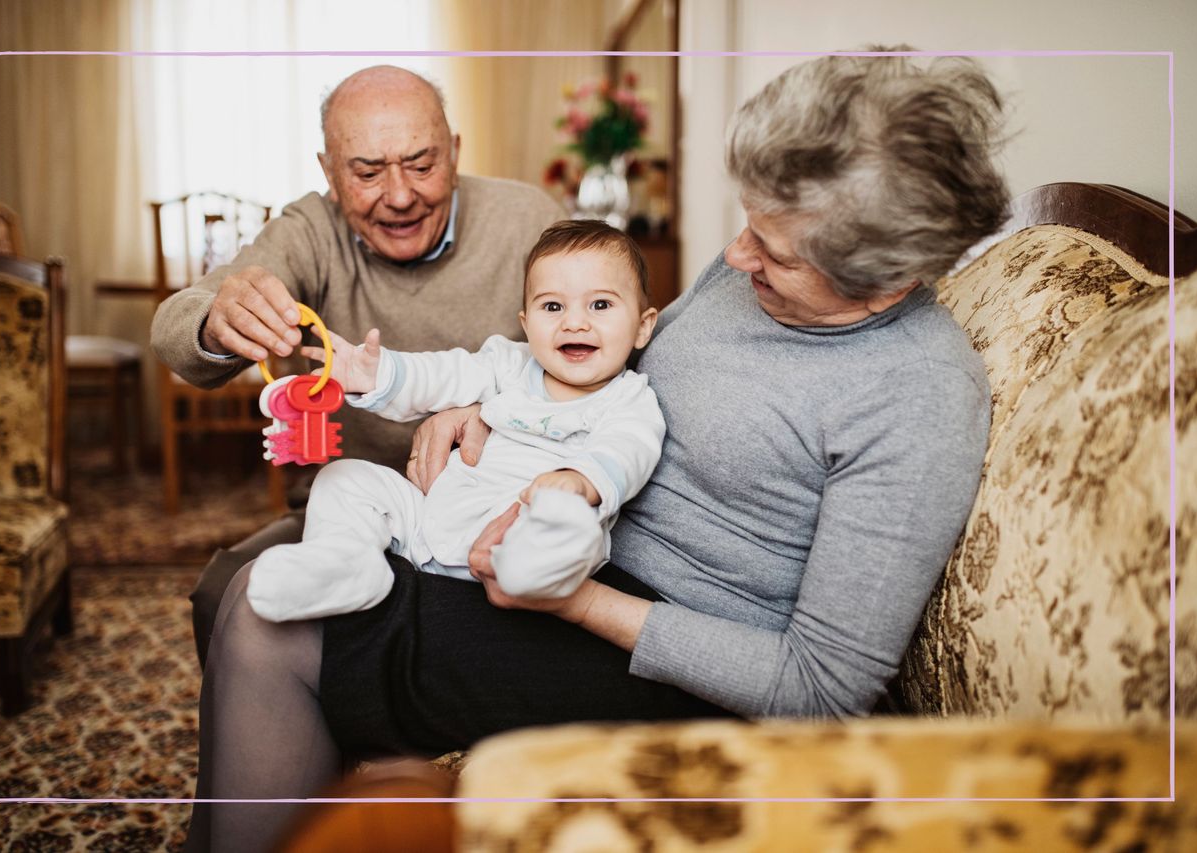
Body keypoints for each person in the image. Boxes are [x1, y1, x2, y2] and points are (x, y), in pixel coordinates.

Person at [186, 50, 1010, 853]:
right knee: (273, 581)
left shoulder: (918, 394)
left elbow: (820, 685)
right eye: (749, 226)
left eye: (776, 253)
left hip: (661, 646)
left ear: (889, 280)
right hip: (567, 538)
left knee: (270, 620)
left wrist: (575, 600)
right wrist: (491, 403)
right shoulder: (754, 271)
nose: (735, 257)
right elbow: (620, 364)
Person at [149, 65, 564, 663]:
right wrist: (218, 319)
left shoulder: (529, 219)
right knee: (226, 596)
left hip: (498, 505)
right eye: (367, 172)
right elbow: (174, 326)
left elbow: (608, 347)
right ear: (329, 173)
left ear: (454, 151)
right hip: (349, 512)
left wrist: (492, 409)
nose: (399, 196)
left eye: (422, 165)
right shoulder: (310, 230)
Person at [247, 220, 662, 621]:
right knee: (346, 479)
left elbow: (628, 450)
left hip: (520, 534)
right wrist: (374, 374)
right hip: (429, 521)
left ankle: (533, 572)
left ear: (643, 327)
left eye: (601, 304)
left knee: (567, 528)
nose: (574, 321)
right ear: (526, 323)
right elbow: (442, 374)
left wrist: (578, 480)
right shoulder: (509, 363)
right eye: (552, 306)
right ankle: (346, 564)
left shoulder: (630, 400)